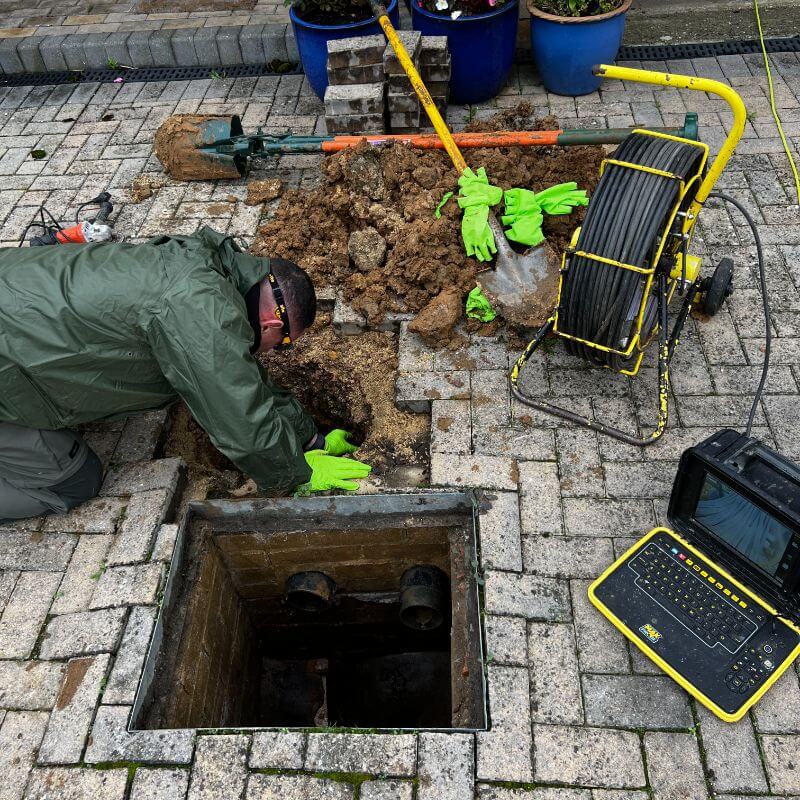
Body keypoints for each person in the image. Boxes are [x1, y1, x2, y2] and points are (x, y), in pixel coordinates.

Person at [0, 227, 370, 522]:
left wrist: (310, 440)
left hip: (16, 296)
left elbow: (238, 378)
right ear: (273, 322)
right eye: (283, 342)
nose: (277, 350)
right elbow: (237, 414)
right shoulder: (201, 310)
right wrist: (296, 476)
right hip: (8, 363)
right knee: (75, 481)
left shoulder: (205, 269)